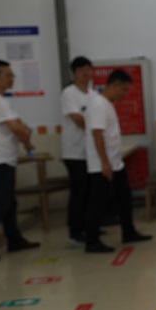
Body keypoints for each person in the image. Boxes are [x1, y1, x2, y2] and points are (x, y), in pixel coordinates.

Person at [83, 69, 152, 253]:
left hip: (115, 162)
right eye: (124, 89)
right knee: (97, 202)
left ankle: (128, 231)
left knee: (124, 198)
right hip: (102, 164)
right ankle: (91, 240)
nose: (125, 94)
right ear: (114, 85)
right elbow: (97, 134)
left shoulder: (107, 103)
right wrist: (104, 162)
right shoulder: (98, 104)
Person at [0, 60, 41, 261]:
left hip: (5, 157)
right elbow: (17, 128)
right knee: (3, 202)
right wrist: (25, 138)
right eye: (7, 75)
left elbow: (20, 123)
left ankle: (14, 239)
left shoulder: (2, 99)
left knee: (10, 202)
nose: (11, 79)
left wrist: (25, 135)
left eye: (12, 75)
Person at [60, 56, 96, 243]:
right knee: (79, 192)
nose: (85, 73)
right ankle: (75, 230)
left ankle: (89, 227)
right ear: (73, 73)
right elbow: (77, 119)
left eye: (88, 69)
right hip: (74, 152)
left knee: (90, 192)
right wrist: (97, 127)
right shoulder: (69, 93)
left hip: (91, 152)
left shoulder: (93, 94)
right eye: (81, 70)